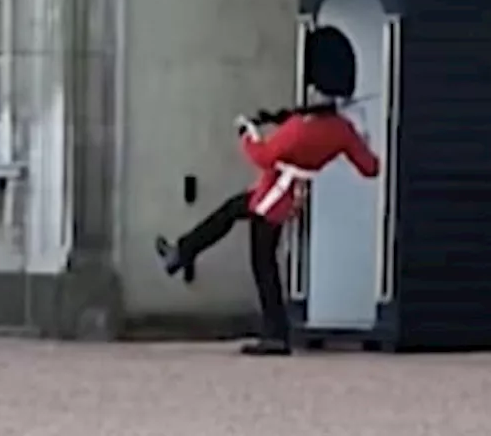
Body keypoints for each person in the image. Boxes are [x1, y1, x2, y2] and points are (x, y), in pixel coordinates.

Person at [155, 89, 380, 356]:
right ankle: (182, 252)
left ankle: (276, 335)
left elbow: (263, 156)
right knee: (230, 213)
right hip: (287, 192)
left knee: (263, 264)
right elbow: (370, 168)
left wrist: (247, 134)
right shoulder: (341, 129)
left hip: (274, 194)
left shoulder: (300, 128)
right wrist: (363, 140)